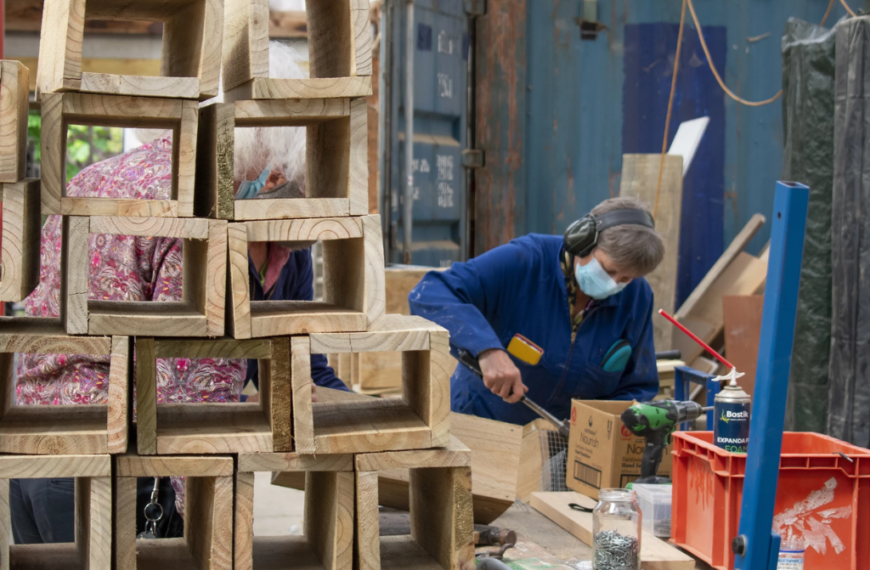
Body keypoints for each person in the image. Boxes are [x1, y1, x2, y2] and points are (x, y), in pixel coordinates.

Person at [11, 41, 344, 544]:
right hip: (108, 467)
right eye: (298, 186)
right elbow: (190, 397)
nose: (312, 215)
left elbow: (300, 359)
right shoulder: (202, 219)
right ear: (269, 172)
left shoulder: (111, 176)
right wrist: (217, 534)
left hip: (37, 448)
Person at [408, 197, 665, 425]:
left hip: (563, 448)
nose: (614, 283)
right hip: (480, 427)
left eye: (626, 278)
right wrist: (486, 349)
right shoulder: (525, 261)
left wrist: (606, 429)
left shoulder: (637, 297)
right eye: (609, 270)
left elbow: (636, 386)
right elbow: (430, 292)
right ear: (582, 241)